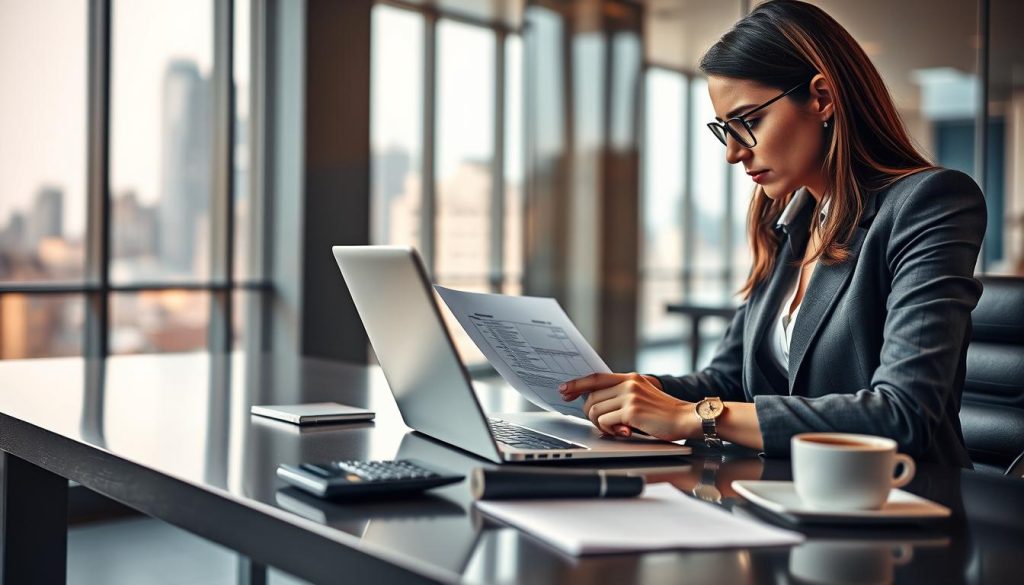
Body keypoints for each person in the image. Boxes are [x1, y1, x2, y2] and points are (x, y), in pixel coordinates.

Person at [559, 0, 986, 468]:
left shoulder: (930, 202)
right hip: (782, 496)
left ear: (822, 98)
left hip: (904, 507)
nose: (733, 154)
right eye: (726, 130)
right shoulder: (789, 225)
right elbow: (726, 380)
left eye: (748, 122)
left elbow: (903, 415)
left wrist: (694, 417)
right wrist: (636, 393)